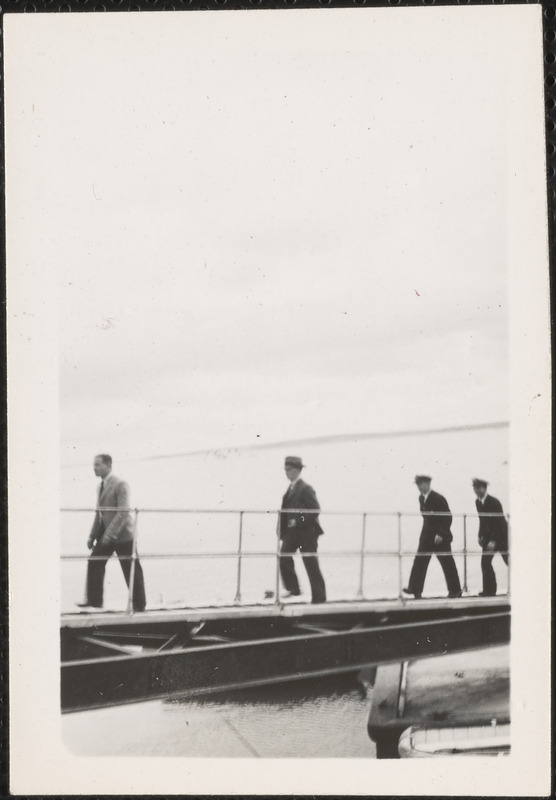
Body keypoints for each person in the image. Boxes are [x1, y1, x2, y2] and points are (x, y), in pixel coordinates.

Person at [76, 454, 146, 612]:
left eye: (98, 465)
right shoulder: (100, 486)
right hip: (107, 534)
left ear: (108, 465)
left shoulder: (120, 484)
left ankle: (139, 605)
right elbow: (99, 514)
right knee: (94, 561)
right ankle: (94, 602)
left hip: (124, 535)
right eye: (94, 465)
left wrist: (109, 536)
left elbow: (122, 511)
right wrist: (92, 536)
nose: (94, 468)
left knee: (131, 568)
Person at [403, 475, 462, 599]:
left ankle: (455, 590)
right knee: (419, 561)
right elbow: (426, 519)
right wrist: (424, 536)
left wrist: (441, 534)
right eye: (417, 484)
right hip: (427, 536)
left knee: (447, 563)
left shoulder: (438, 498)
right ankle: (415, 589)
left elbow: (447, 517)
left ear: (427, 484)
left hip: (440, 537)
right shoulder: (421, 498)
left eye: (421, 484)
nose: (419, 487)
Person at [279, 456, 326, 604]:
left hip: (307, 534)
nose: (286, 473)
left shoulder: (306, 488)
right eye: (285, 470)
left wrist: (298, 521)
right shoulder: (290, 488)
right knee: (283, 557)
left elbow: (315, 510)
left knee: (311, 564)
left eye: (289, 470)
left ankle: (319, 598)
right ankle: (293, 589)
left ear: (297, 471)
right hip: (292, 534)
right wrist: (282, 531)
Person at [472, 478, 509, 597]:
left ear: (484, 488)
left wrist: (493, 540)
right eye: (474, 488)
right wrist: (480, 536)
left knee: (509, 561)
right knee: (485, 563)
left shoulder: (494, 502)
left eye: (478, 488)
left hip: (501, 536)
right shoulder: (477, 502)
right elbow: (482, 520)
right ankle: (489, 590)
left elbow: (498, 523)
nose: (476, 490)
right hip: (489, 537)